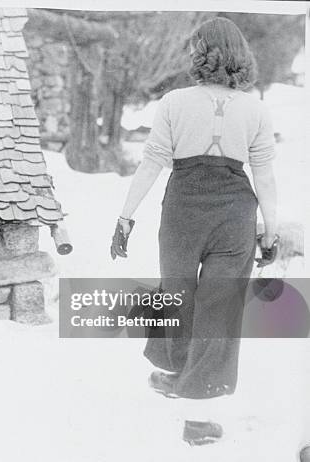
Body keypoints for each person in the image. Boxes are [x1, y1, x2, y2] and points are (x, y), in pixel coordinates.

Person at [111, 17, 279, 444]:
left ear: (200, 53)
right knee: (218, 309)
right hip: (235, 213)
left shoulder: (174, 102)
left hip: (184, 209)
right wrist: (270, 231)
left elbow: (151, 162)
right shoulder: (256, 109)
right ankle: (197, 413)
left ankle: (177, 379)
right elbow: (265, 176)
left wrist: (125, 217)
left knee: (177, 294)